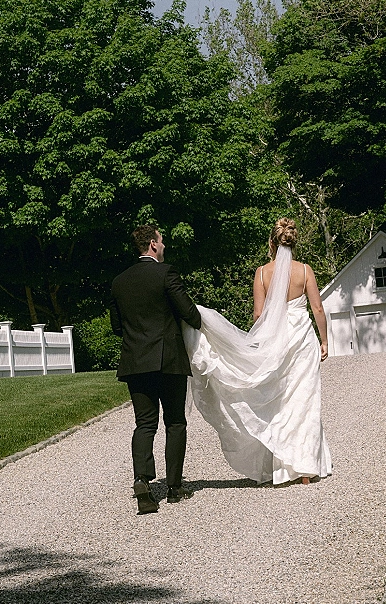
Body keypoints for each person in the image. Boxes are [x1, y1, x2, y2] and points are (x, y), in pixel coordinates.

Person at [183, 218, 332, 486]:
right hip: (302, 339)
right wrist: (324, 340)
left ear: (272, 244)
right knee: (304, 399)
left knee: (278, 401)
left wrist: (260, 342)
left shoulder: (262, 273)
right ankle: (306, 467)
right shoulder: (305, 270)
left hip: (275, 340)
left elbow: (258, 314)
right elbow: (317, 309)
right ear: (293, 242)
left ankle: (282, 463)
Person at [110, 224, 201, 514]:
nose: (163, 246)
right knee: (175, 422)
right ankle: (174, 487)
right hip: (168, 360)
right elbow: (189, 313)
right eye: (161, 241)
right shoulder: (166, 273)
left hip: (135, 361)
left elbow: (116, 326)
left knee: (145, 423)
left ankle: (142, 481)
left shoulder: (119, 281)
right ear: (152, 244)